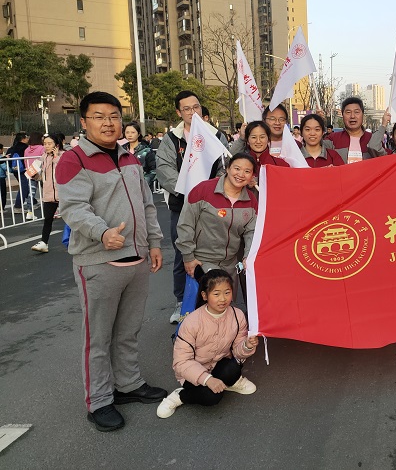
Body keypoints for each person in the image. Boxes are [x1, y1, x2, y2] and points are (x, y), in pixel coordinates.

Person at [57, 91, 166, 432]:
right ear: (84, 121)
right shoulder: (73, 159)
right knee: (99, 337)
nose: (108, 123)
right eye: (99, 116)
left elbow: (147, 205)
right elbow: (74, 208)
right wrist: (102, 233)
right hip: (98, 261)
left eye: (114, 116)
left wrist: (154, 242)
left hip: (137, 259)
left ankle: (128, 384)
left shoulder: (129, 157)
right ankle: (99, 400)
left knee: (129, 330)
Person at [156, 90, 229, 324]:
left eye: (195, 107)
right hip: (182, 205)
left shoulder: (216, 135)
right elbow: (164, 170)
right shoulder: (171, 140)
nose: (192, 112)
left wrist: (208, 190)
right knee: (183, 253)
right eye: (186, 109)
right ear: (179, 112)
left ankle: (219, 300)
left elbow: (224, 166)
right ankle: (182, 302)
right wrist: (189, 189)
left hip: (212, 204)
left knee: (215, 251)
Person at [156, 269, 258, 419]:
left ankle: (230, 382)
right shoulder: (191, 322)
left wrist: (247, 345)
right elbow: (181, 362)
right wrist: (207, 379)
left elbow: (237, 352)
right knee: (211, 397)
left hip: (218, 363)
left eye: (227, 292)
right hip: (193, 372)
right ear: (204, 295)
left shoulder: (237, 315)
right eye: (216, 294)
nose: (223, 299)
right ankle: (180, 396)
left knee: (234, 369)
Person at [176, 152, 257, 310]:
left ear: (252, 176)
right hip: (203, 262)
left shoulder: (251, 200)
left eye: (247, 171)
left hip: (230, 264)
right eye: (237, 168)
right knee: (207, 310)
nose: (241, 174)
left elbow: (251, 232)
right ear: (228, 168)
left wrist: (248, 255)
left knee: (227, 308)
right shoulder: (203, 190)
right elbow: (186, 224)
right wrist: (188, 256)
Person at [30, 134, 65, 253]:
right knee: (48, 219)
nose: (46, 146)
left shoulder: (64, 155)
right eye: (45, 144)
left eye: (49, 143)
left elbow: (64, 169)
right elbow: (42, 176)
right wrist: (35, 176)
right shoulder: (43, 157)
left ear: (56, 145)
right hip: (49, 193)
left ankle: (83, 240)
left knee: (71, 218)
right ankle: (44, 242)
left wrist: (56, 157)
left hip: (63, 192)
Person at [326, 97, 387, 162]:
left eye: (356, 112)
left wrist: (383, 125)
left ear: (363, 115)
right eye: (348, 112)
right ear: (342, 115)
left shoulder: (372, 139)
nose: (352, 116)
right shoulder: (332, 139)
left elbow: (384, 161)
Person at [122, 122, 157, 190]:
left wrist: (143, 182)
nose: (130, 135)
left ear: (138, 134)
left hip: (143, 188)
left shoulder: (146, 151)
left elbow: (154, 170)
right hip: (125, 189)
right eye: (127, 132)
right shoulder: (121, 150)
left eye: (133, 132)